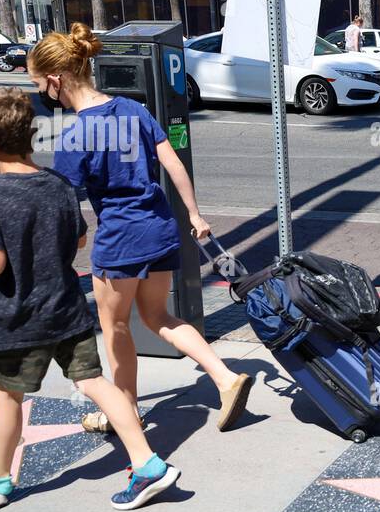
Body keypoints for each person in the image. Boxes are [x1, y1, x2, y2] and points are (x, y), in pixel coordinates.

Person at [0, 88, 181, 511]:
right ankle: (147, 464)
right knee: (95, 383)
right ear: (30, 135)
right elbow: (79, 237)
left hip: (19, 318)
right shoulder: (56, 183)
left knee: (7, 395)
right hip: (68, 309)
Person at [28, 23, 253, 435]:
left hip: (119, 240)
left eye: (40, 84)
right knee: (158, 315)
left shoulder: (75, 133)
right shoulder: (134, 110)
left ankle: (125, 412)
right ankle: (224, 378)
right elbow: (172, 163)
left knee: (115, 329)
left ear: (57, 80)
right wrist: (195, 215)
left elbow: (62, 201)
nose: (42, 93)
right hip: (160, 228)